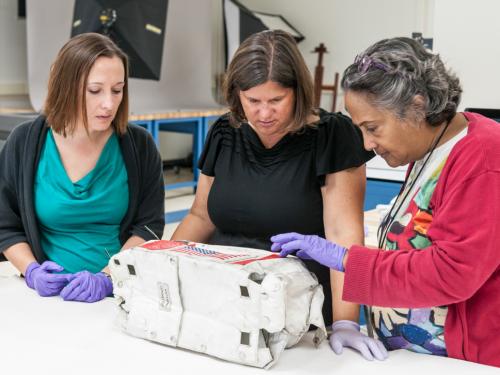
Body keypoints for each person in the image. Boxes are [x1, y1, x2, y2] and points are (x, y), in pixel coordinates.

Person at [271, 37, 500, 367]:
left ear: (417, 106)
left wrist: (348, 260)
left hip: (461, 361)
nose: (367, 143)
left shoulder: (481, 156)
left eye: (372, 127)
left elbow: (451, 273)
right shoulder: (428, 151)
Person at [171, 30, 387, 361]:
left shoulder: (331, 136)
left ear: (298, 92)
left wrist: (345, 323)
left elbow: (343, 238)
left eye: (276, 101)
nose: (263, 114)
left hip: (297, 315)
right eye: (252, 101)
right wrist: (159, 266)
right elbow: (201, 216)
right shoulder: (226, 132)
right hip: (225, 302)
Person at [0, 33, 164, 303]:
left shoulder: (140, 146)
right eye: (94, 90)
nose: (109, 103)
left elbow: (149, 228)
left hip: (118, 293)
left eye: (117, 89)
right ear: (67, 86)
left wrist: (108, 277)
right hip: (45, 299)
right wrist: (31, 271)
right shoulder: (25, 141)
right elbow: (6, 225)